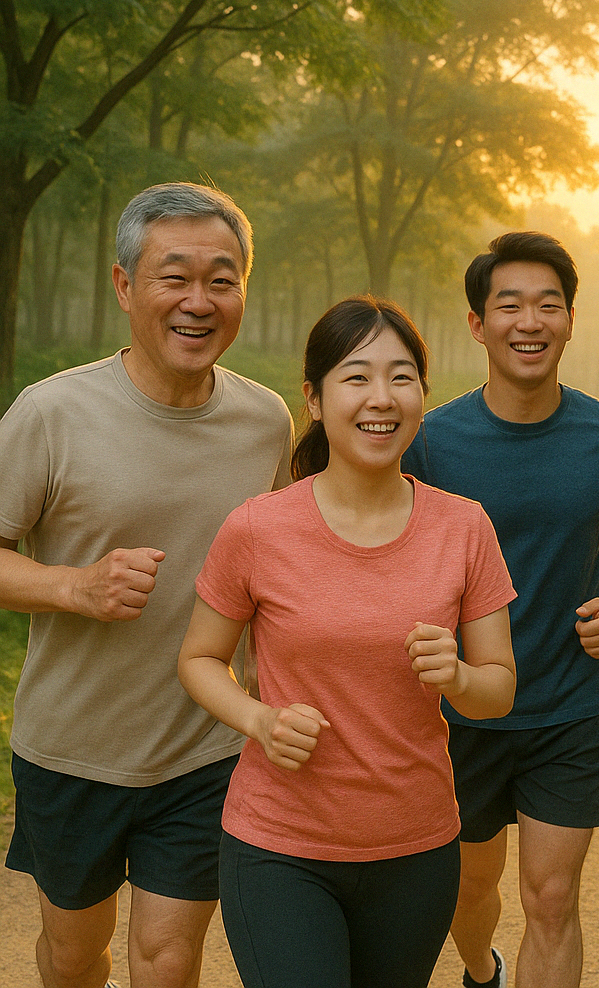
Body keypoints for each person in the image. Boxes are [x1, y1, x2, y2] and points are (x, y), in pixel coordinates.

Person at [0, 182, 294, 988]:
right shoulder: (51, 412)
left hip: (203, 749)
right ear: (125, 286)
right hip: (72, 750)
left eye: (222, 279)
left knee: (168, 960)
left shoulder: (266, 421)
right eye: (176, 277)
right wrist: (74, 588)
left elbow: (277, 569)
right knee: (74, 957)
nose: (199, 301)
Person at [177, 294, 517, 988]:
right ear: (314, 398)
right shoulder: (257, 528)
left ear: (422, 395)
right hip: (278, 847)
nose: (381, 398)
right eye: (357, 377)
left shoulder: (464, 527)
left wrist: (458, 676)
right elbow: (199, 658)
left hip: (417, 849)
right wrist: (259, 720)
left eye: (401, 377)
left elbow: (499, 690)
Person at [402, 231, 599, 988]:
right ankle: (479, 969)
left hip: (569, 708)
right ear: (477, 324)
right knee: (468, 890)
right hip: (460, 712)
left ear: (571, 321)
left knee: (551, 899)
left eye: (549, 305)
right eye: (509, 305)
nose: (530, 322)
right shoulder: (432, 440)